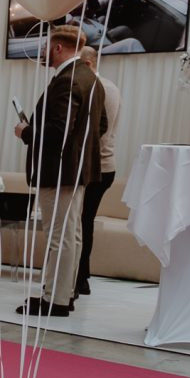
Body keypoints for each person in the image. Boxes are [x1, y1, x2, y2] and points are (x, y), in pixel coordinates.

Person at [13, 24, 107, 317]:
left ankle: (54, 300)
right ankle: (63, 293)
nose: (43, 51)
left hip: (59, 171)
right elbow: (101, 126)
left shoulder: (67, 80)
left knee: (59, 237)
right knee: (71, 235)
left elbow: (57, 133)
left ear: (57, 47)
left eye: (46, 46)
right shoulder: (91, 78)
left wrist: (26, 132)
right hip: (76, 170)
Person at [74, 45, 122, 297]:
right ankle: (81, 274)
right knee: (84, 220)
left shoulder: (98, 88)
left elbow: (96, 133)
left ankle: (79, 278)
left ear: (88, 64)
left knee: (81, 222)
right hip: (103, 165)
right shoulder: (109, 86)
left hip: (96, 166)